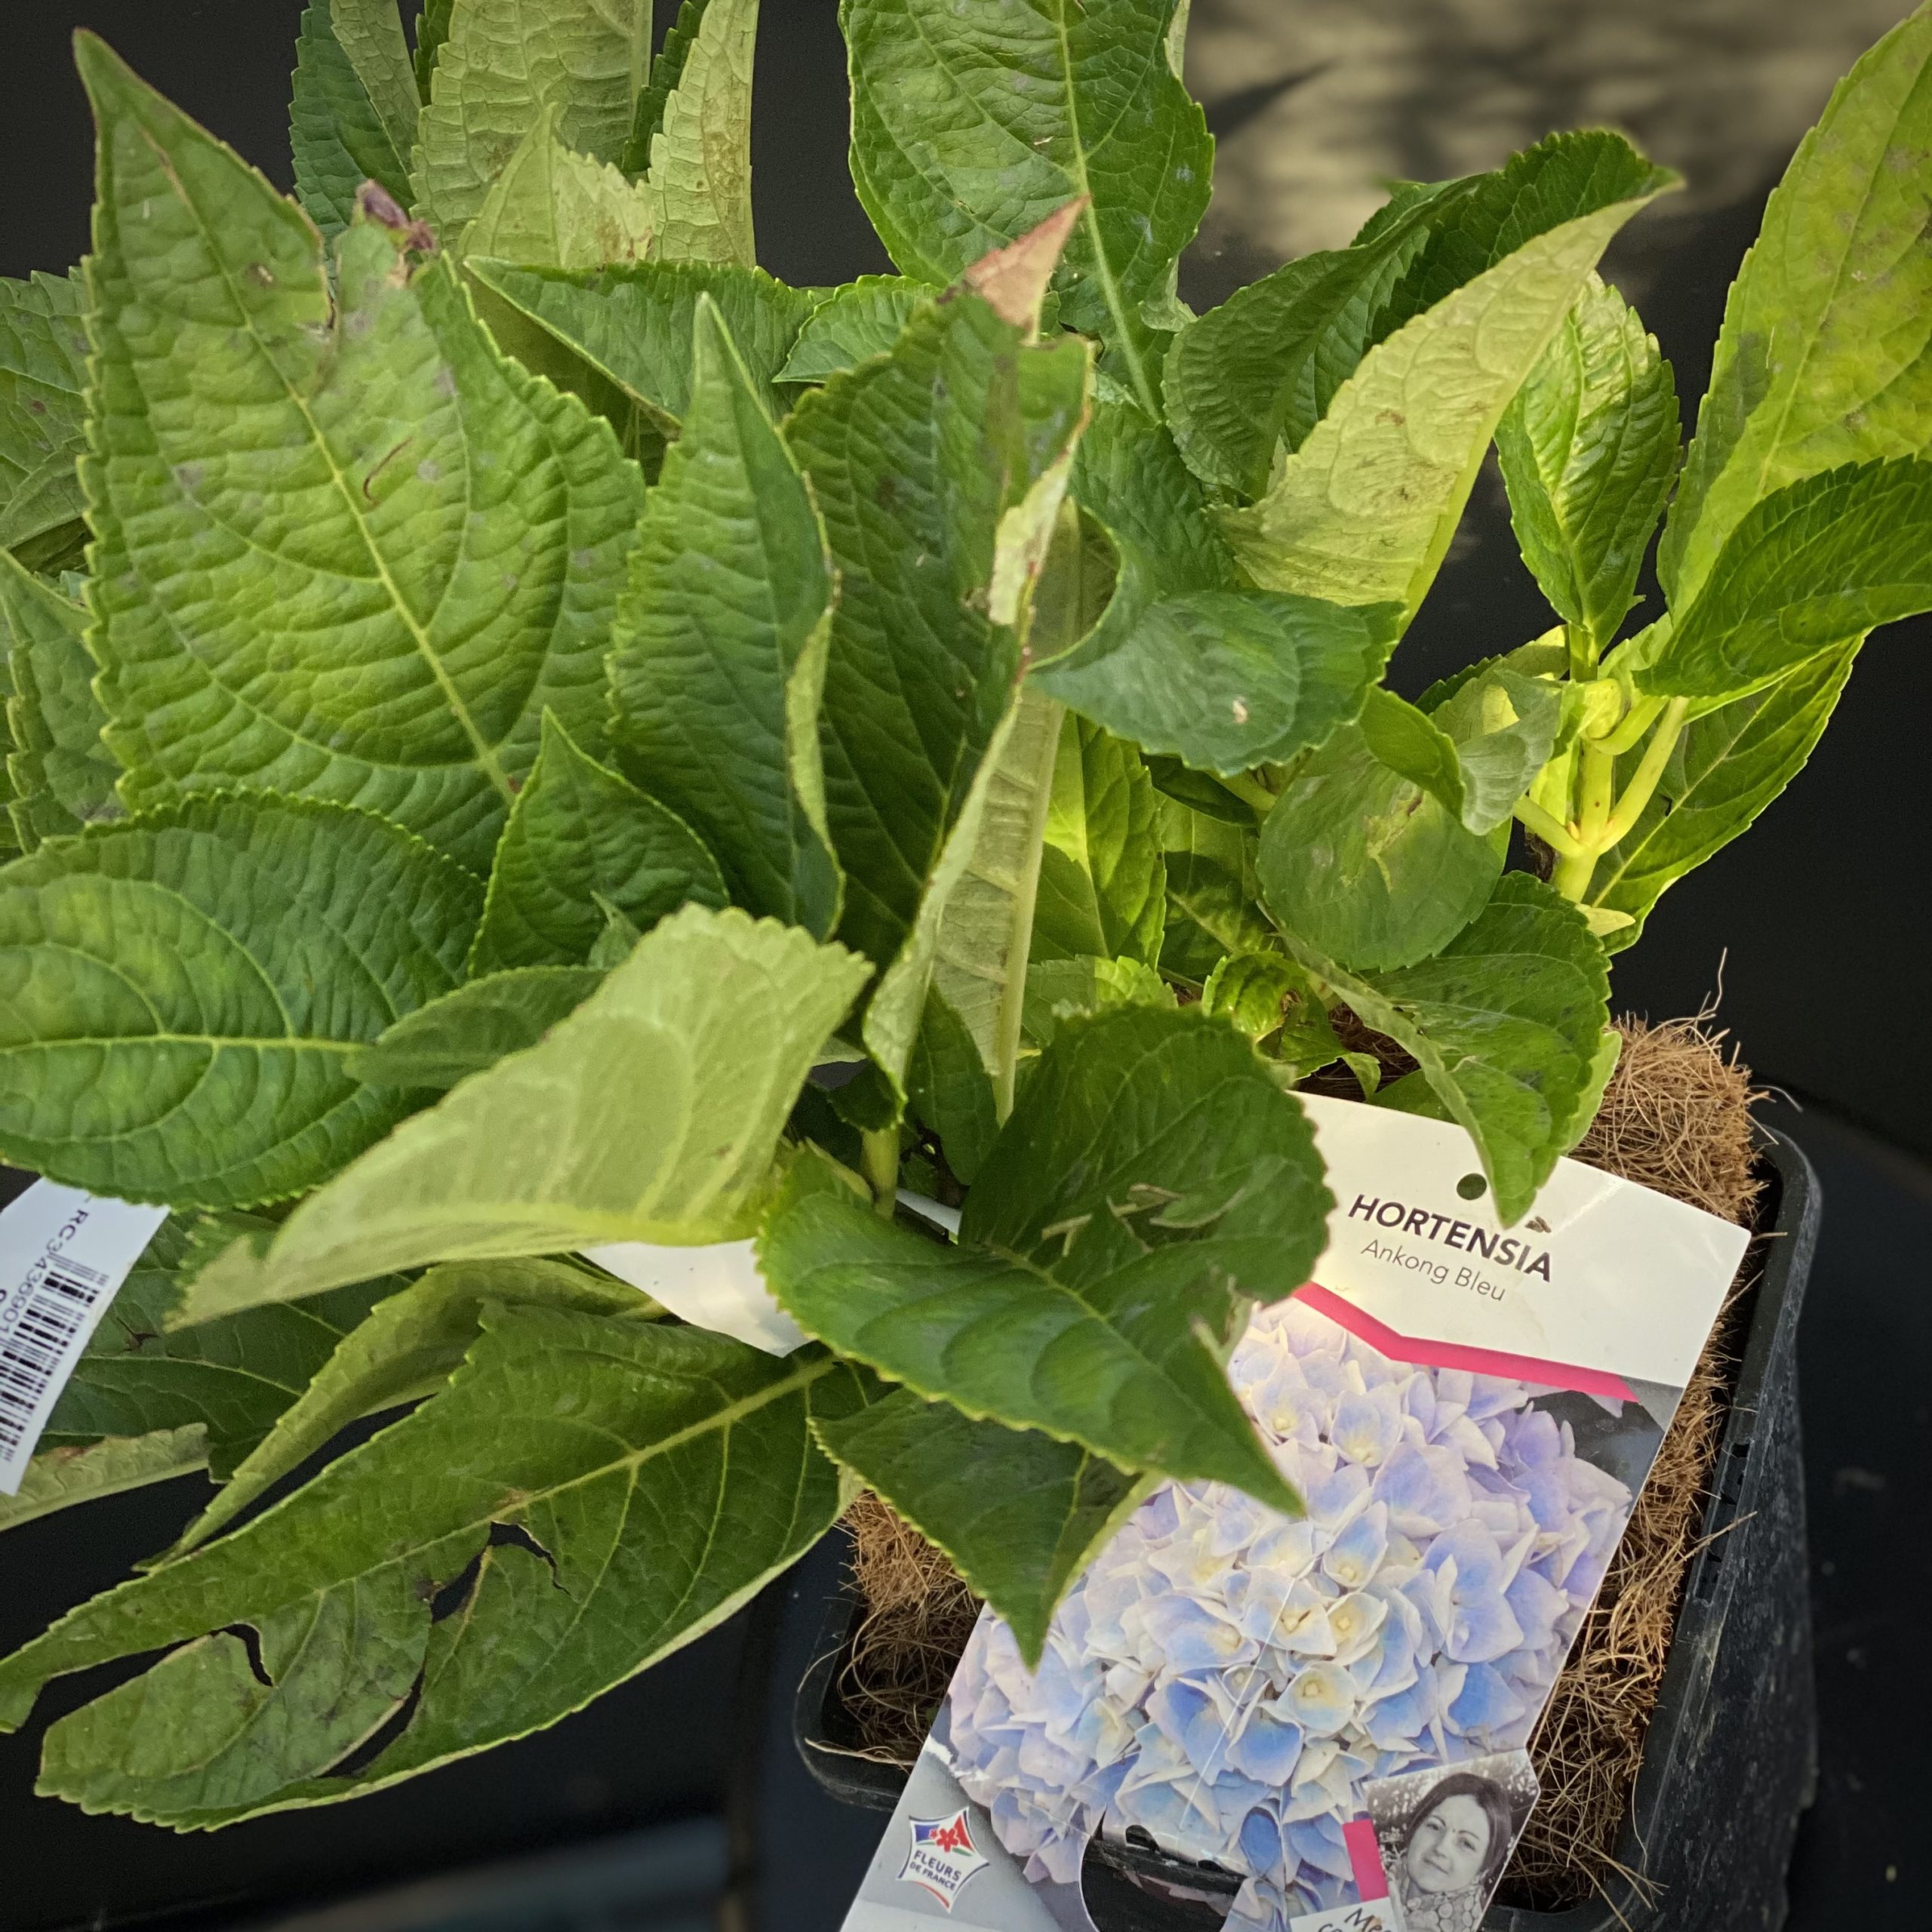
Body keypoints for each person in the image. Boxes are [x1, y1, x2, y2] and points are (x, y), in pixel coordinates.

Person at [1387, 1771, 1515, 1932]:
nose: (1441, 1848)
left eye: (1466, 1844)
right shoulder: (1368, 1872)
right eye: (1435, 1826)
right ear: (1415, 1828)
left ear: (1484, 1870)